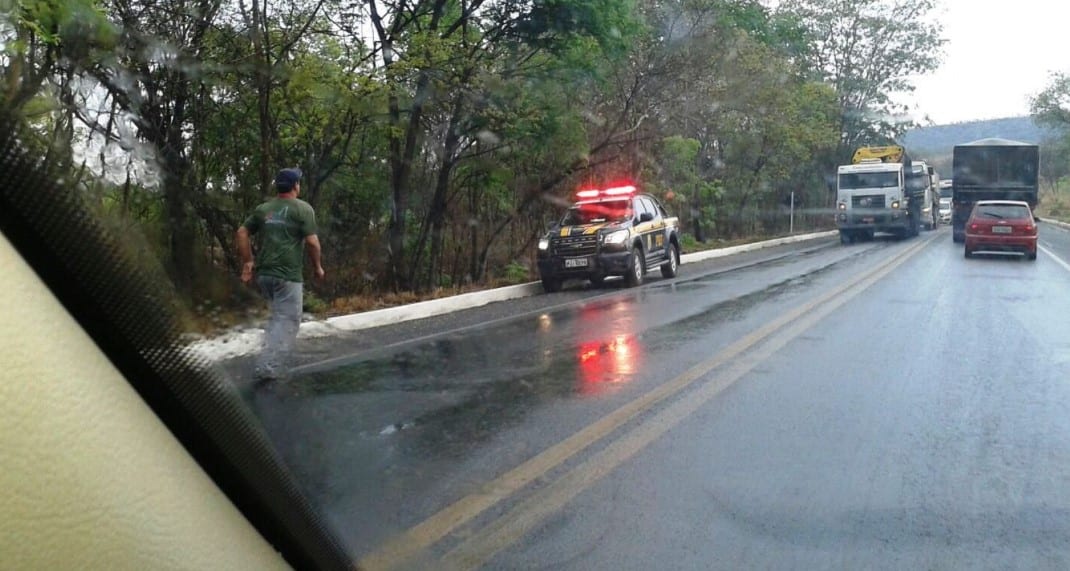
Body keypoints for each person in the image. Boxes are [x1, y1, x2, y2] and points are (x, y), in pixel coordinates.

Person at [236, 167, 324, 380]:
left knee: (275, 319)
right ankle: (268, 369)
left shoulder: (265, 208)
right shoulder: (303, 209)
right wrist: (318, 267)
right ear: (295, 186)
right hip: (288, 276)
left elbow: (242, 232)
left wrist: (248, 262)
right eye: (299, 182)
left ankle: (267, 359)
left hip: (265, 275)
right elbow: (312, 242)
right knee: (289, 321)